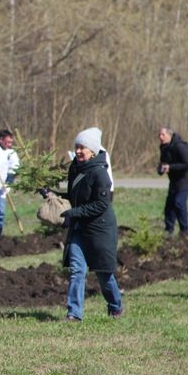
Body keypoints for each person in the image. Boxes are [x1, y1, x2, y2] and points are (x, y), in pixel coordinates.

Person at [57, 127, 123, 322]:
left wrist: (73, 212)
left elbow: (102, 204)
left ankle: (115, 306)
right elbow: (73, 197)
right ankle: (74, 314)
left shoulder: (100, 173)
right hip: (80, 229)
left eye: (82, 148)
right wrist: (53, 195)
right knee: (77, 270)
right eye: (76, 147)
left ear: (92, 151)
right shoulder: (75, 168)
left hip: (100, 230)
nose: (77, 151)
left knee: (104, 275)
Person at [158, 126, 188, 237]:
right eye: (159, 135)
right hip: (173, 180)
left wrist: (171, 167)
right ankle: (169, 230)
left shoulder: (179, 146)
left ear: (170, 135)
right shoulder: (164, 147)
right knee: (169, 205)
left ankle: (185, 230)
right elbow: (163, 163)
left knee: (179, 202)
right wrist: (160, 169)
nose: (160, 137)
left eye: (163, 135)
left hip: (184, 179)